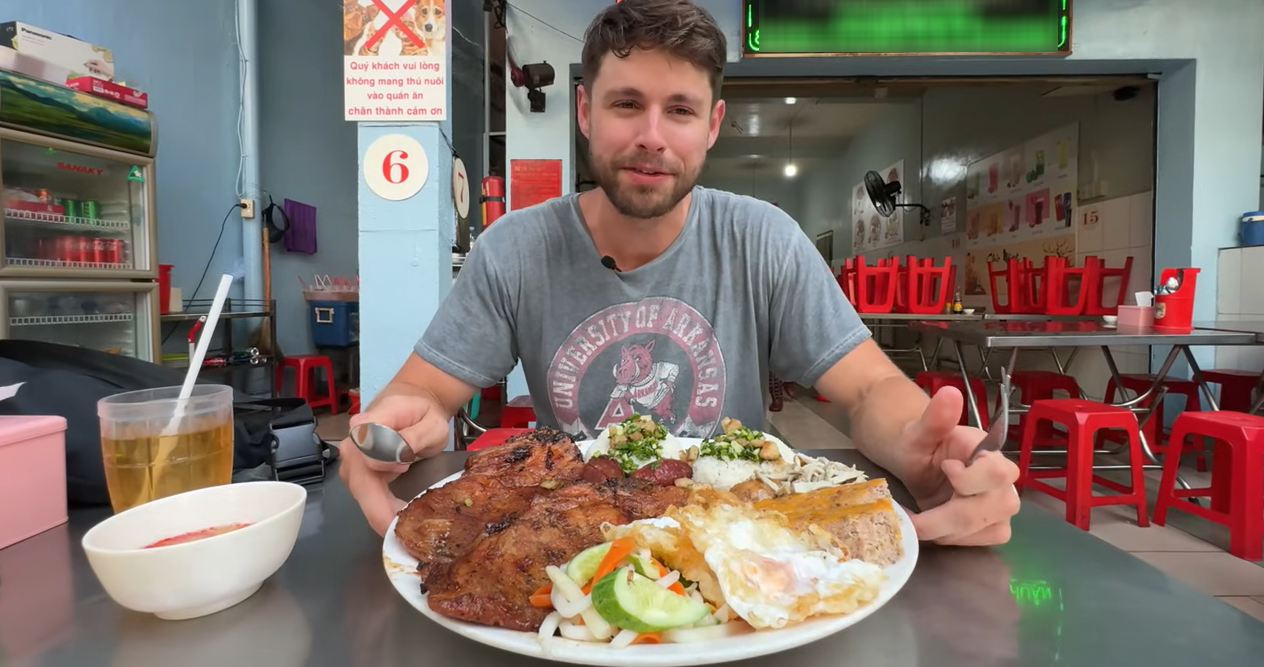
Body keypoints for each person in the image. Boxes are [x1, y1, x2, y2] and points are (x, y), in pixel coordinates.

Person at [339, 0, 1020, 548]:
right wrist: (393, 433)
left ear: (714, 124)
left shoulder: (763, 239)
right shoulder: (515, 248)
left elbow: (868, 386)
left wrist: (918, 451)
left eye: (681, 110)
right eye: (626, 104)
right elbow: (424, 396)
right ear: (584, 111)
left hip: (743, 540)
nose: (653, 136)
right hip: (575, 542)